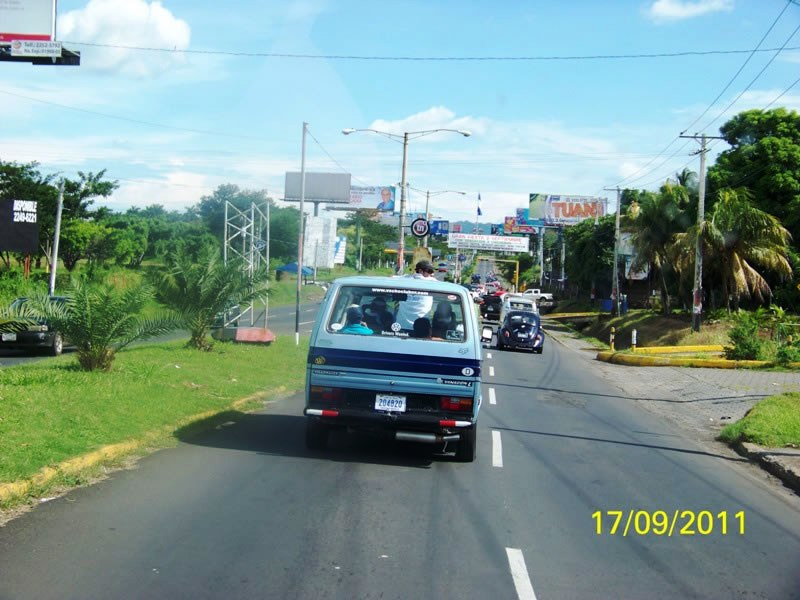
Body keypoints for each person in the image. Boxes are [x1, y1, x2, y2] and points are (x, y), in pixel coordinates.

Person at [395, 260, 437, 329]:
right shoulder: (432, 282)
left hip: (400, 326)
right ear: (420, 271)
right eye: (429, 271)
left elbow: (389, 278)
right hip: (421, 328)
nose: (432, 274)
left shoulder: (404, 279)